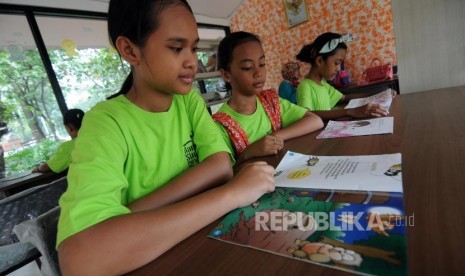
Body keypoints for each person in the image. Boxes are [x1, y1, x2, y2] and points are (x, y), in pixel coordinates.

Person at [57, 1, 275, 275]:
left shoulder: (188, 102)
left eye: (194, 48)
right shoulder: (105, 122)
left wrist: (131, 212)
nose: (192, 61)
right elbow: (81, 260)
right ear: (130, 50)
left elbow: (220, 167)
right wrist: (231, 195)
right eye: (176, 48)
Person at [213, 31, 324, 165]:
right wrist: (247, 153)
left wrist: (275, 137)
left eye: (262, 64)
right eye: (247, 67)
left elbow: (315, 121)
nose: (258, 73)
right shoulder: (221, 126)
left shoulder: (271, 102)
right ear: (226, 75)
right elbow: (226, 173)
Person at [296, 32, 394, 120]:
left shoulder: (323, 85)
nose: (339, 69)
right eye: (336, 63)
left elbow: (344, 97)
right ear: (319, 61)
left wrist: (379, 93)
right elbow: (307, 115)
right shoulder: (305, 86)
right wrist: (351, 111)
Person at [32, 109, 84, 173]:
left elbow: (46, 167)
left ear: (69, 127)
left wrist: (37, 169)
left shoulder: (70, 146)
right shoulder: (98, 137)